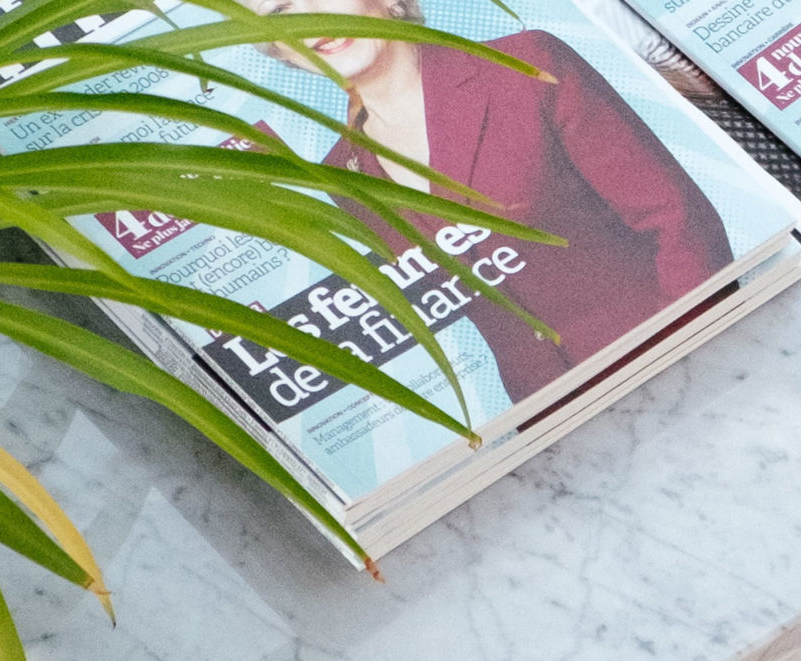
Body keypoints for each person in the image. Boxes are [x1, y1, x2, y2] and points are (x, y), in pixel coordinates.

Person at [249, 0, 734, 401]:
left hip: (688, 364)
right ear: (280, 53)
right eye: (279, 12)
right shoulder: (343, 174)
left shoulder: (526, 65)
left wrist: (695, 360)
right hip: (552, 418)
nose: (309, 17)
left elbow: (679, 221)